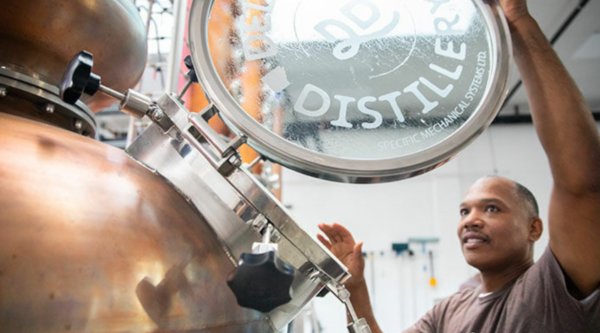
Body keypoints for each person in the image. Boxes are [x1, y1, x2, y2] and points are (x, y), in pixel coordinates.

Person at [317, 0, 600, 332]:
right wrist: (354, 289)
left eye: (492, 209)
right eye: (464, 211)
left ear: (534, 229)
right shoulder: (453, 307)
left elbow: (582, 184)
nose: (471, 221)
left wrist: (519, 24)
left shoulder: (549, 291)